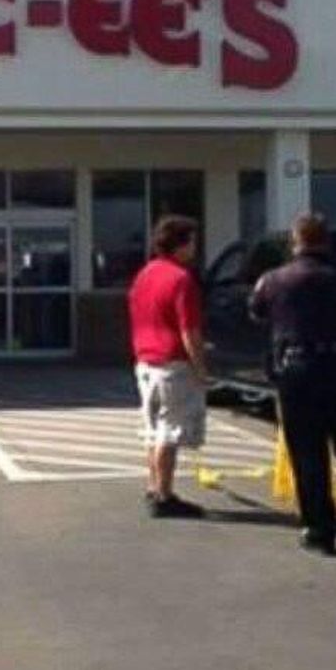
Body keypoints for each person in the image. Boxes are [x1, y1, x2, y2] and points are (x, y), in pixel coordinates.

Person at [249, 212, 336, 556]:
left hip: (298, 373)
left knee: (308, 456)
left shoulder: (274, 280)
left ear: (296, 241)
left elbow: (257, 312)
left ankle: (320, 529)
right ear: (326, 240)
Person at [128, 215, 209, 518]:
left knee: (152, 430)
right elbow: (189, 329)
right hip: (173, 364)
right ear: (181, 244)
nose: (194, 248)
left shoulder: (145, 274)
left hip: (146, 361)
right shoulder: (181, 279)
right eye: (191, 241)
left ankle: (154, 486)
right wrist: (200, 366)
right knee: (170, 432)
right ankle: (164, 495)